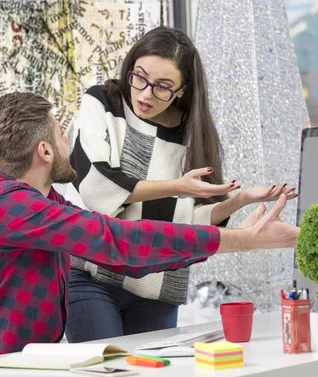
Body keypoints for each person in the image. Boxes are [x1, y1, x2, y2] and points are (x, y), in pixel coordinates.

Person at [0, 91, 298, 363]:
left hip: (14, 372)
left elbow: (120, 250)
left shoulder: (37, 204)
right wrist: (244, 240)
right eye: (61, 135)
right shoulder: (2, 206)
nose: (68, 143)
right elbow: (117, 242)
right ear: (44, 151)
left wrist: (232, 231)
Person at [64, 26, 298, 343]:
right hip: (90, 276)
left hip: (157, 285)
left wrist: (238, 201)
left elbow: (185, 226)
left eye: (163, 86)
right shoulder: (102, 103)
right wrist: (178, 186)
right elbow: (96, 185)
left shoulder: (191, 135)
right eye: (140, 77)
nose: (146, 93)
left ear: (182, 90)